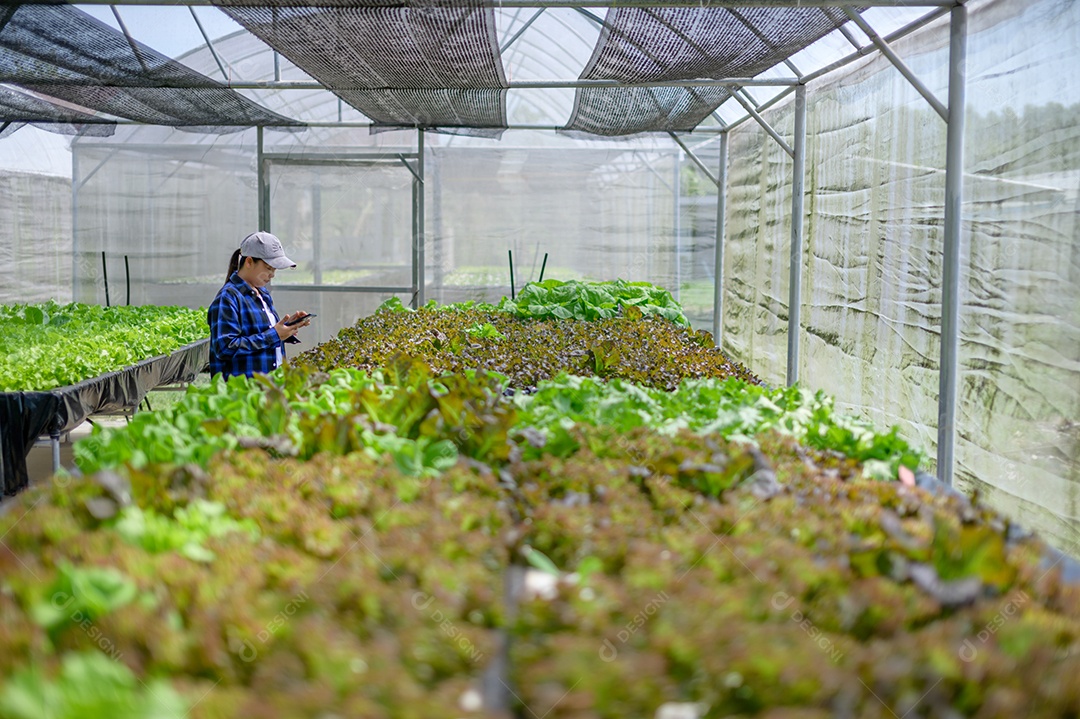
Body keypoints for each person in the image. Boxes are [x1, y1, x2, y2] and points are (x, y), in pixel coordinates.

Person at [208, 231, 310, 379]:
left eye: (274, 269)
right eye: (269, 268)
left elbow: (260, 334)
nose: (272, 274)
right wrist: (275, 334)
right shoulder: (228, 298)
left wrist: (287, 328)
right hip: (241, 393)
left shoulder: (263, 294)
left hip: (269, 386)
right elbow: (225, 348)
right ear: (249, 262)